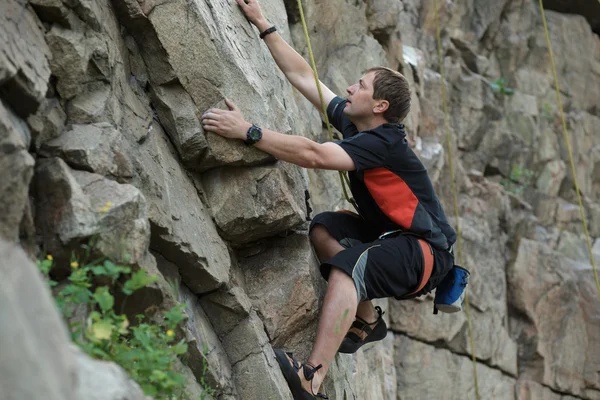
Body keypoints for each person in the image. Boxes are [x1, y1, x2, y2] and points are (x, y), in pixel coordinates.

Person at [201, 0, 457, 398]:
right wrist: (264, 24)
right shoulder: (358, 122)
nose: (350, 88)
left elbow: (316, 155)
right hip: (394, 237)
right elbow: (304, 76)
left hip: (426, 252)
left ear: (380, 106)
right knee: (325, 228)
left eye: (361, 85)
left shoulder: (383, 143)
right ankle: (366, 319)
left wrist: (249, 131)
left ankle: (312, 376)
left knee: (349, 267)